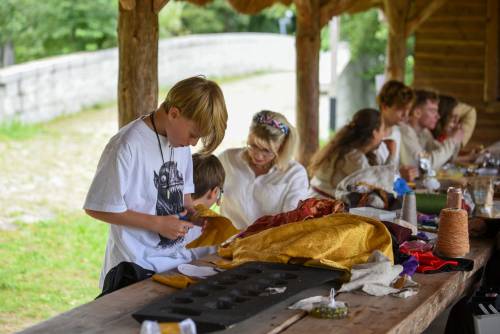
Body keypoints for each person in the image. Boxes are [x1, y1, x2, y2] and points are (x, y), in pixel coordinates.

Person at [83, 75, 228, 296]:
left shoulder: (180, 145)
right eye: (193, 135)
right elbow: (98, 207)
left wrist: (194, 215)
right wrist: (157, 224)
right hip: (133, 267)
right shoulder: (127, 146)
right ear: (174, 113)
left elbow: (185, 197)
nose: (193, 143)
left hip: (173, 263)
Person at [218, 110, 308, 230]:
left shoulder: (295, 174)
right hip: (226, 242)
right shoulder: (227, 159)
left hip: (267, 244)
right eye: (253, 146)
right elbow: (202, 192)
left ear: (281, 146)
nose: (258, 156)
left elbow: (292, 222)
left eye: (267, 150)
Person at [308, 108, 389, 199]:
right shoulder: (354, 158)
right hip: (323, 206)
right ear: (375, 133)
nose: (385, 134)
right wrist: (392, 156)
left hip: (315, 199)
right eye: (383, 130)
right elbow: (377, 187)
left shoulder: (343, 150)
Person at [400, 89, 464, 171]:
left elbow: (446, 159)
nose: (438, 116)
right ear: (417, 113)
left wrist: (452, 137)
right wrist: (453, 141)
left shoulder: (424, 132)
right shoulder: (405, 131)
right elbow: (426, 165)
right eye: (433, 111)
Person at [375, 80, 418, 181]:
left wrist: (403, 171)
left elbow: (390, 169)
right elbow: (367, 175)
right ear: (384, 106)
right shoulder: (370, 133)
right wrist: (398, 174)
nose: (406, 115)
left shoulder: (397, 132)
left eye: (408, 109)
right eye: (400, 109)